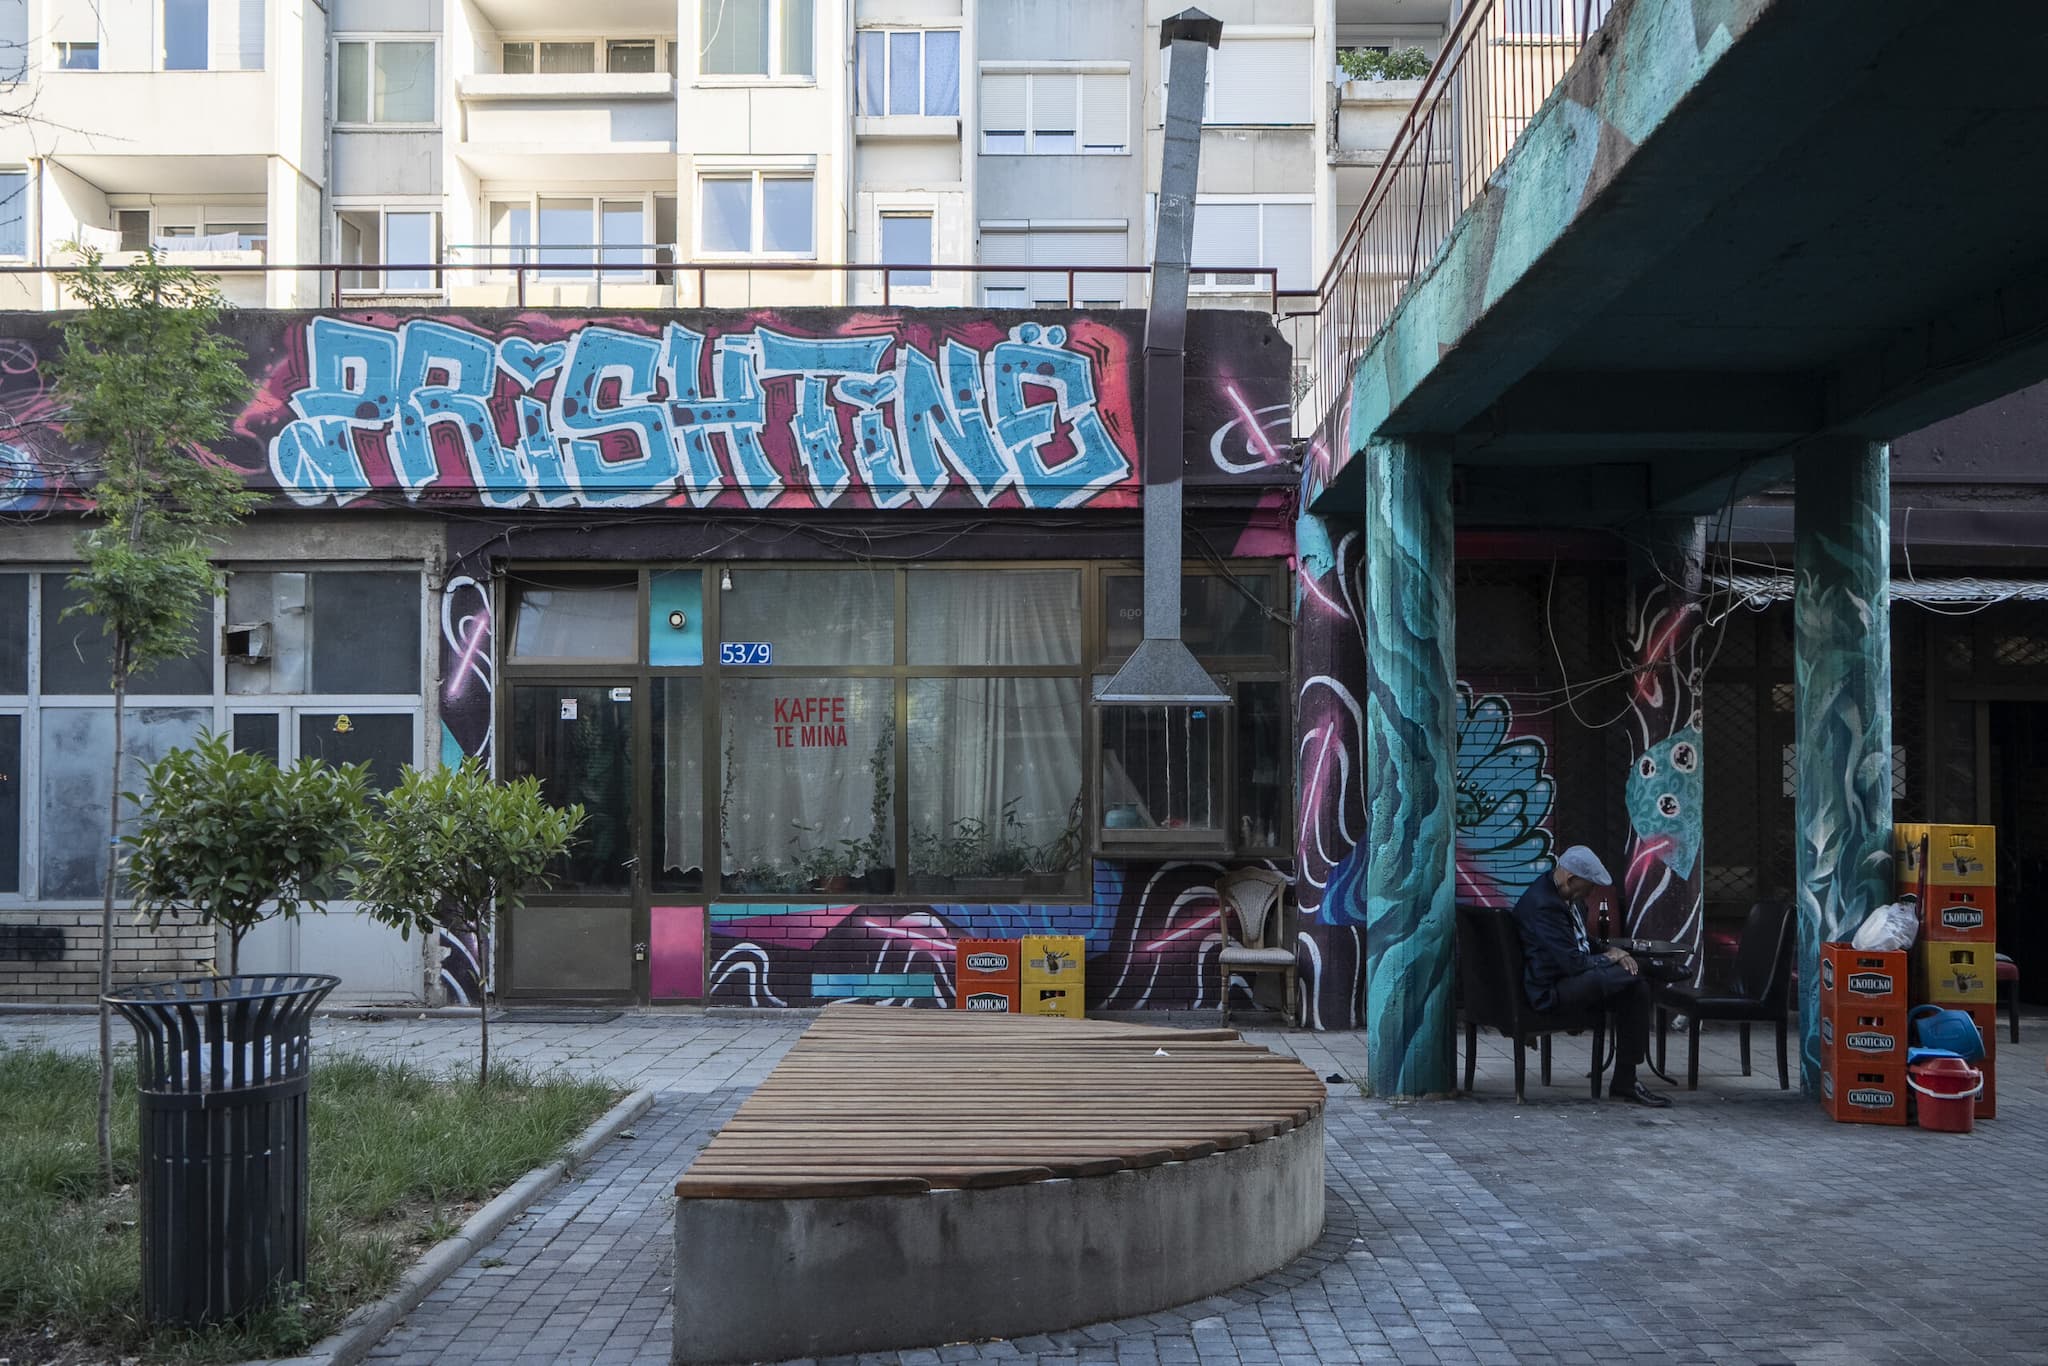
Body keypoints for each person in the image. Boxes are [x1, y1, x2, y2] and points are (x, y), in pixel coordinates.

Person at [1511, 845, 1671, 1108]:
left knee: (1637, 989)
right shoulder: (1544, 906)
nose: (1591, 892)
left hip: (1569, 980)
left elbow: (1582, 942)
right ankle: (1650, 968)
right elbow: (1573, 964)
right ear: (1570, 878)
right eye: (1588, 886)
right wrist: (1610, 958)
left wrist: (1609, 951)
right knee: (1630, 975)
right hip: (1550, 991)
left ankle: (1625, 1081)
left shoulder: (1564, 896)